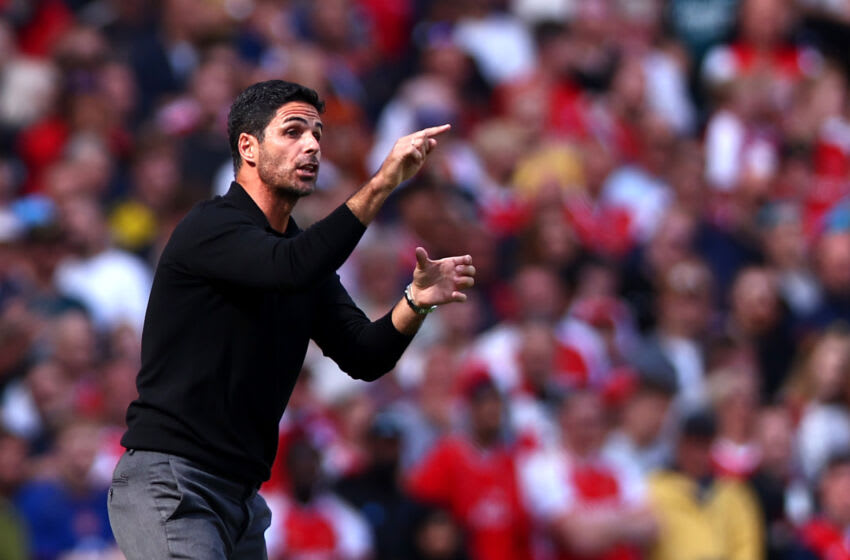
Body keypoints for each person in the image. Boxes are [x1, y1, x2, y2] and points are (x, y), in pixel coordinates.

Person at [107, 80, 476, 559]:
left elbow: (364, 353)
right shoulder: (211, 227)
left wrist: (416, 300)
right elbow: (291, 268)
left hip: (240, 500)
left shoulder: (297, 257)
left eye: (318, 134)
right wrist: (381, 182)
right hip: (174, 482)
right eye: (294, 131)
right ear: (249, 147)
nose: (312, 145)